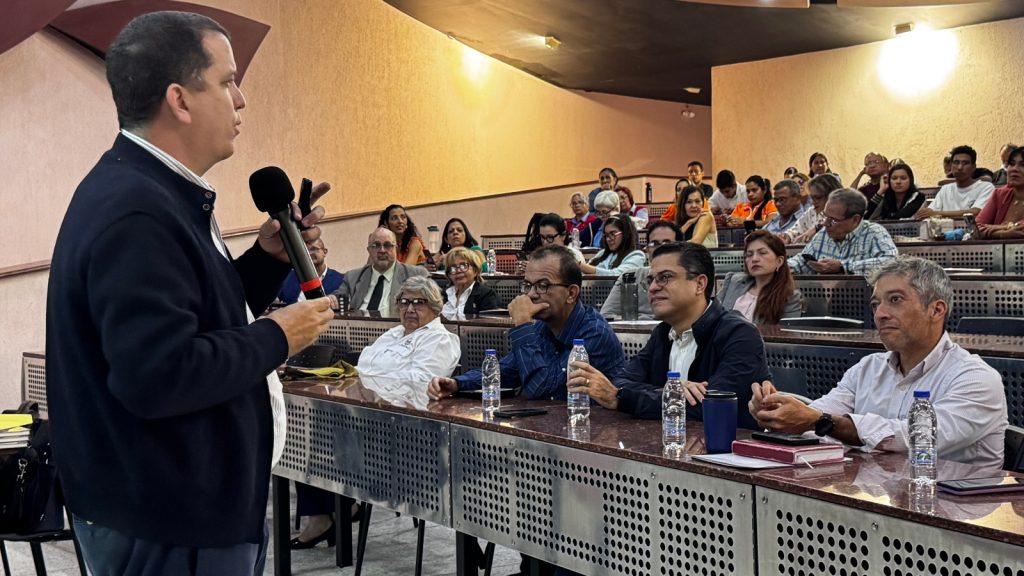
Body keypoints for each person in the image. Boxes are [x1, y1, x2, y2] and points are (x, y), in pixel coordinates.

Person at [46, 12, 335, 574]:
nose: (242, 100)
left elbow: (192, 317)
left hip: (176, 514)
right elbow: (159, 374)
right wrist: (279, 334)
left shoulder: (153, 193)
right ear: (180, 99)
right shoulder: (138, 212)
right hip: (168, 523)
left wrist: (264, 261)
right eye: (227, 81)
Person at [750, 256, 1007, 470]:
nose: (880, 314)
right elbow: (818, 417)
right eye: (875, 304)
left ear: (936, 310)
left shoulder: (975, 378)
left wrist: (816, 421)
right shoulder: (867, 368)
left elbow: (916, 437)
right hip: (883, 505)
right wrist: (777, 412)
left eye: (895, 300)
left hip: (959, 516)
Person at [569, 242, 770, 429]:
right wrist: (672, 391)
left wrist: (624, 398)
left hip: (726, 456)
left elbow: (709, 407)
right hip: (671, 446)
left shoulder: (739, 335)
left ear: (699, 284)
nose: (654, 287)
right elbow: (620, 382)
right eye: (651, 280)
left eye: (665, 277)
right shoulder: (664, 332)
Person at [428, 244, 625, 401]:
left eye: (543, 285)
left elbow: (542, 390)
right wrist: (457, 383)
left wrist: (522, 325)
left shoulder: (594, 332)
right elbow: (507, 370)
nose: (531, 294)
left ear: (571, 293)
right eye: (528, 285)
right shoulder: (542, 326)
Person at [789, 188, 898, 275]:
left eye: (833, 220)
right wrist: (781, 267)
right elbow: (803, 260)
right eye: (825, 216)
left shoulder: (874, 233)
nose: (826, 224)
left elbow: (892, 263)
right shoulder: (823, 234)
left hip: (863, 299)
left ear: (855, 219)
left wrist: (844, 267)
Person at [331, 227, 429, 316]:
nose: (382, 250)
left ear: (396, 249)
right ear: (369, 250)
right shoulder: (353, 277)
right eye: (376, 245)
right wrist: (331, 299)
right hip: (358, 331)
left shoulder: (416, 275)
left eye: (388, 245)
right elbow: (337, 297)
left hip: (399, 332)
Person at [600, 221, 683, 320]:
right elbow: (606, 315)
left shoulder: (686, 278)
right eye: (654, 243)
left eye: (668, 243)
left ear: (680, 249)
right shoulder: (630, 276)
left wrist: (637, 318)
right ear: (647, 249)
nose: (661, 248)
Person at [717, 231, 803, 324]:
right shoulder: (733, 281)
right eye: (749, 255)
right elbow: (713, 316)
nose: (754, 259)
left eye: (762, 253)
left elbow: (786, 334)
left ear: (779, 261)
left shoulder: (790, 297)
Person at [915, 145, 994, 219]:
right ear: (951, 166)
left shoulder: (986, 187)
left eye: (965, 163)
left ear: (974, 167)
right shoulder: (945, 189)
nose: (960, 167)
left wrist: (937, 213)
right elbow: (930, 212)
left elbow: (975, 212)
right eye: (956, 163)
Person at [977, 145, 1024, 239]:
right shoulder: (999, 194)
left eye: (1023, 165)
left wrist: (991, 228)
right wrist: (1005, 232)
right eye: (1011, 163)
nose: (1014, 169)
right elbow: (975, 228)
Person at [278, 238, 344, 304]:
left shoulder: (341, 280)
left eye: (314, 249)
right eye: (305, 250)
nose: (309, 253)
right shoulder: (288, 277)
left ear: (325, 252)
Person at [441, 247, 500, 319]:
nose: (458, 271)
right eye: (453, 268)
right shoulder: (443, 295)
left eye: (463, 266)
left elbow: (489, 325)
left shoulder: (487, 295)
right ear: (449, 275)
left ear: (475, 271)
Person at [783, 173, 841, 244]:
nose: (813, 202)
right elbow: (797, 229)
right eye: (812, 198)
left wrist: (816, 228)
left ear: (831, 196)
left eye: (817, 198)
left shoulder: (843, 214)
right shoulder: (812, 211)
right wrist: (787, 236)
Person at [580, 214, 646, 276]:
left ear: (626, 233)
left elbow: (618, 274)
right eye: (606, 235)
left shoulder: (637, 255)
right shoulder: (602, 253)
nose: (608, 239)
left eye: (613, 234)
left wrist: (584, 267)